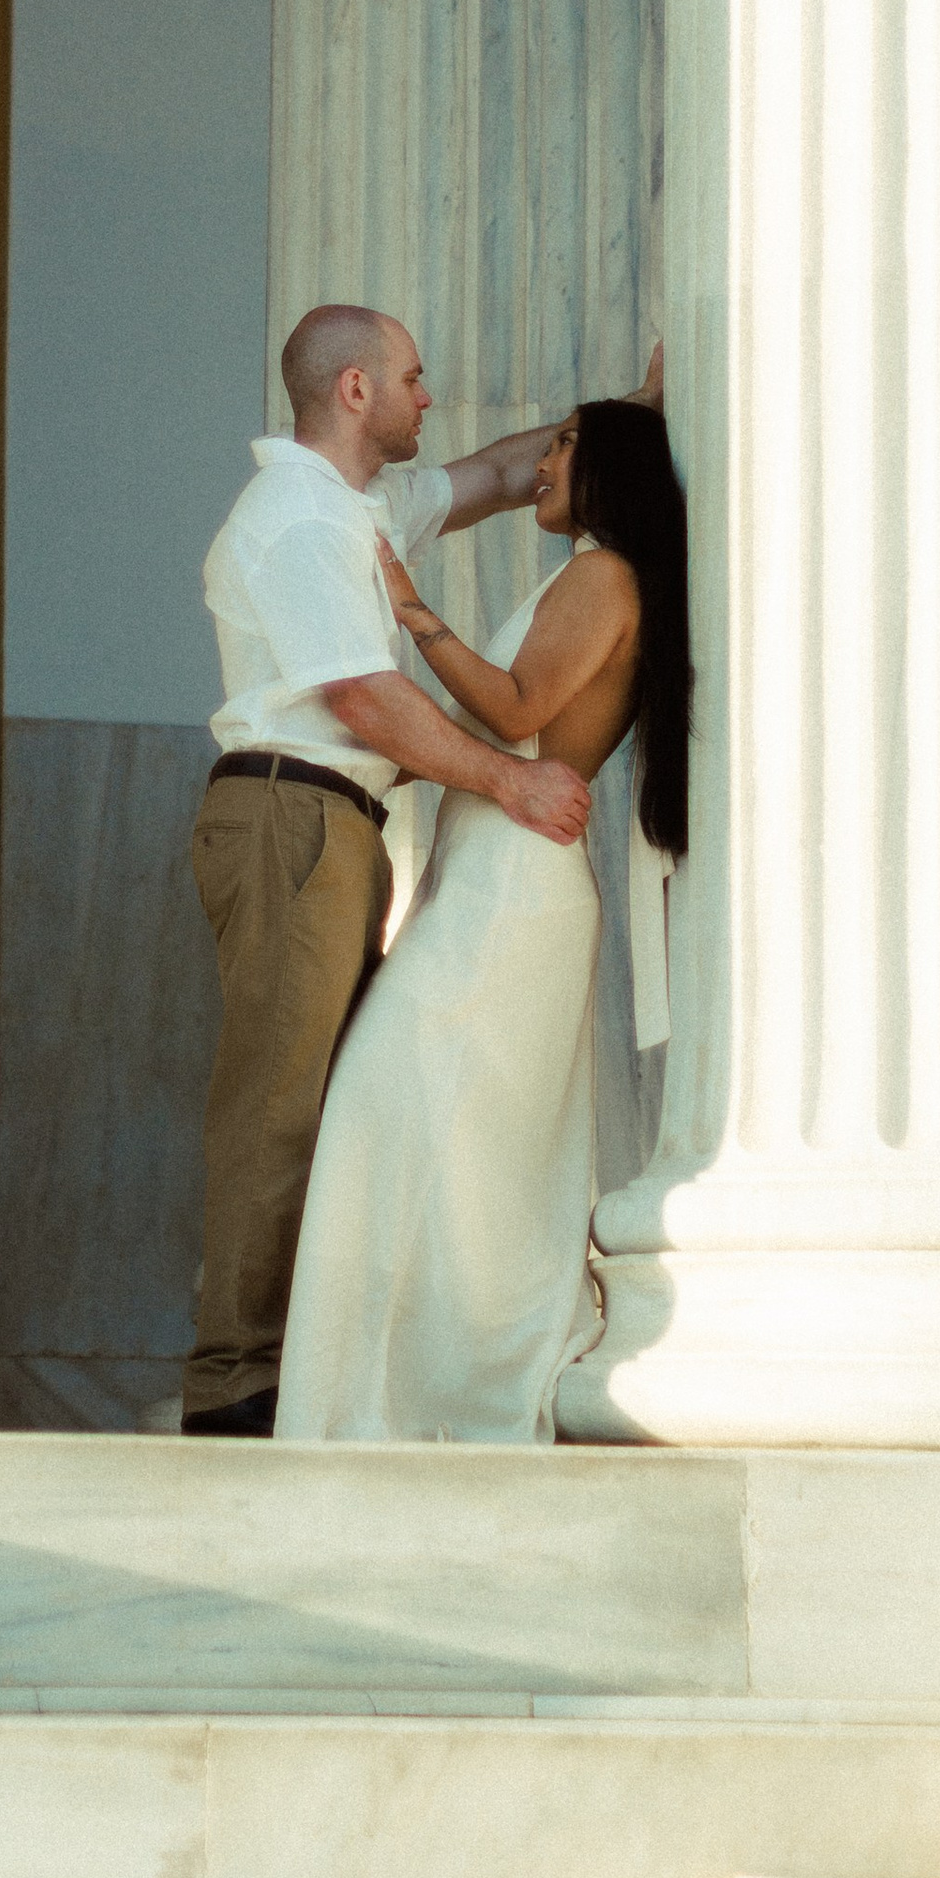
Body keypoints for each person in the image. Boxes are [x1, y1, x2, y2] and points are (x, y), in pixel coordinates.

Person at [183, 306, 594, 1437]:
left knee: (331, 1103)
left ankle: (302, 1376)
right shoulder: (300, 519)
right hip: (289, 813)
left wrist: (644, 413)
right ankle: (237, 1394)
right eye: (413, 378)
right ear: (354, 390)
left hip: (331, 825)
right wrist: (508, 782)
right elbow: (361, 694)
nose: (430, 397)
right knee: (281, 1110)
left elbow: (512, 471)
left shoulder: (361, 507)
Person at [274, 392, 693, 1446]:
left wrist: (416, 617)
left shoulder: (602, 575)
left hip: (513, 892)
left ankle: (431, 1395)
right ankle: (396, 1394)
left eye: (563, 447)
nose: (540, 464)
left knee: (401, 1111)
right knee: (452, 1141)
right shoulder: (589, 573)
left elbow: (515, 710)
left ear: (606, 474)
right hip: (492, 878)